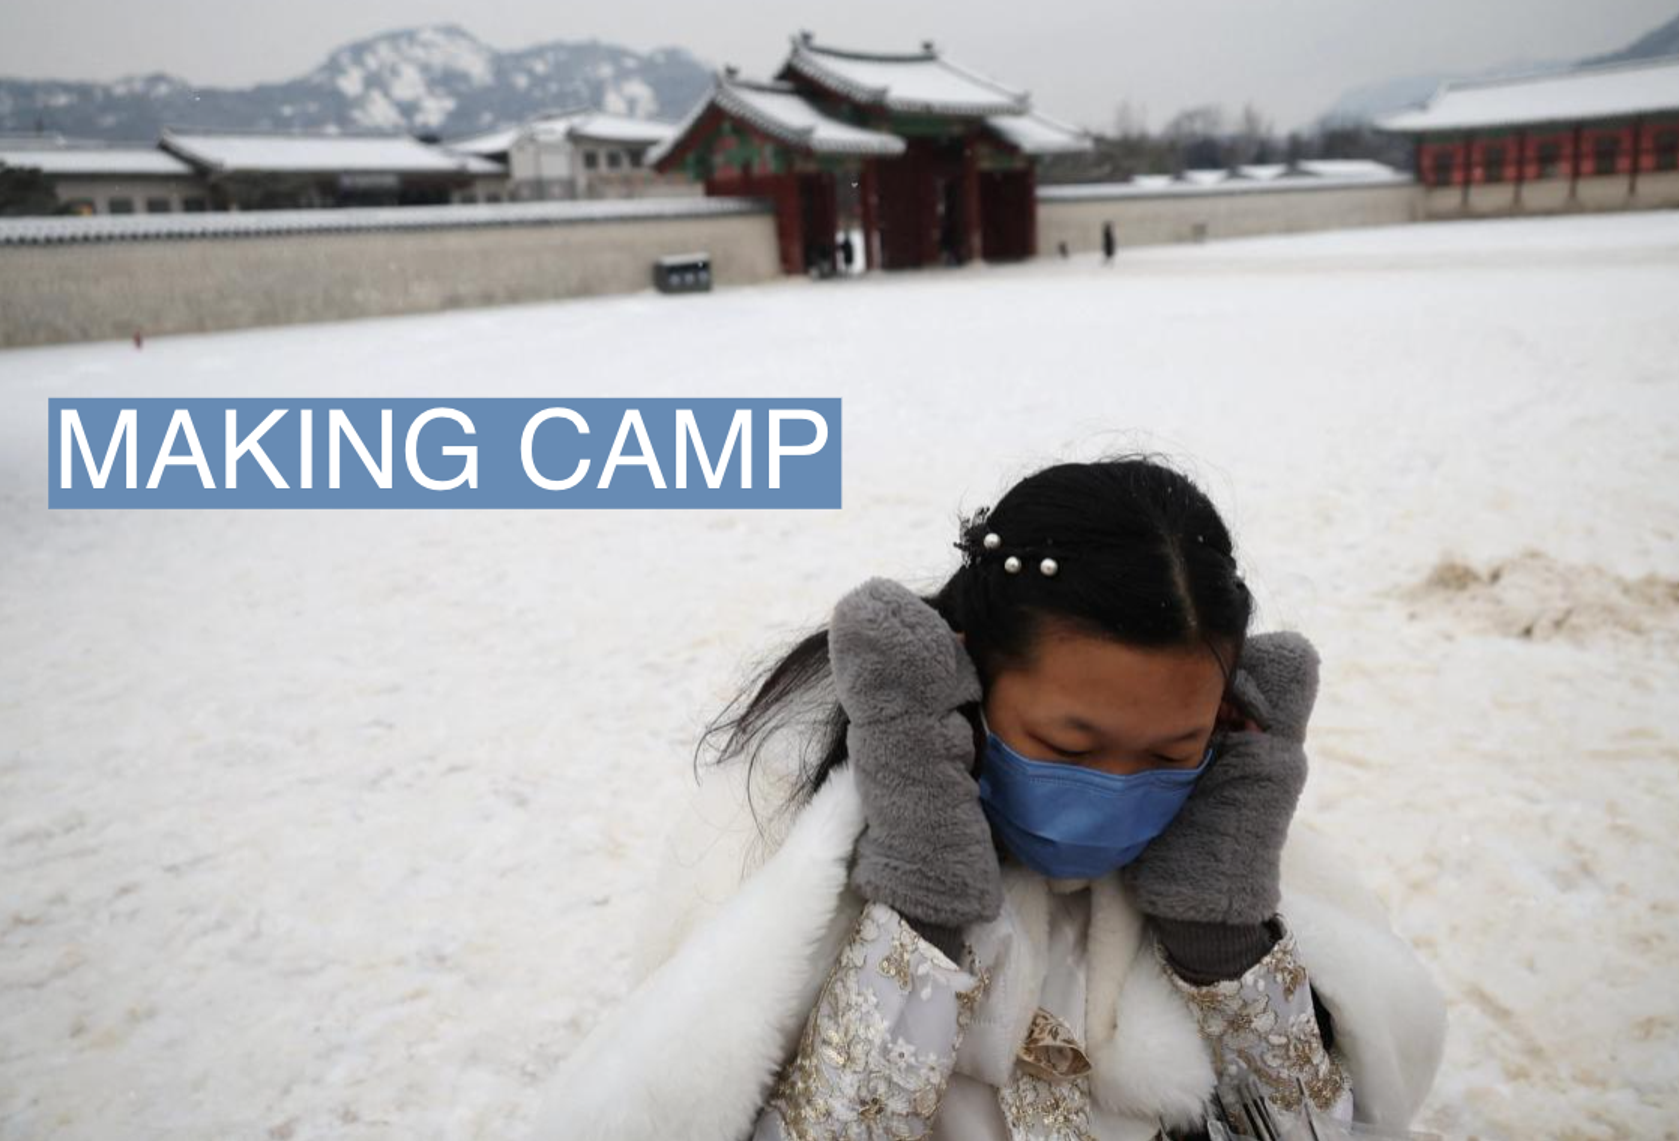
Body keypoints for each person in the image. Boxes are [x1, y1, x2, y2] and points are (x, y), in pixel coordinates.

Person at [538, 456, 1448, 1139]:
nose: (1119, 789)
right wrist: (923, 897)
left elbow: (1319, 1126)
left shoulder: (1247, 847)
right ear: (971, 671)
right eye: (1069, 745)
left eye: (1171, 749)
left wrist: (1221, 932)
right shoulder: (784, 832)